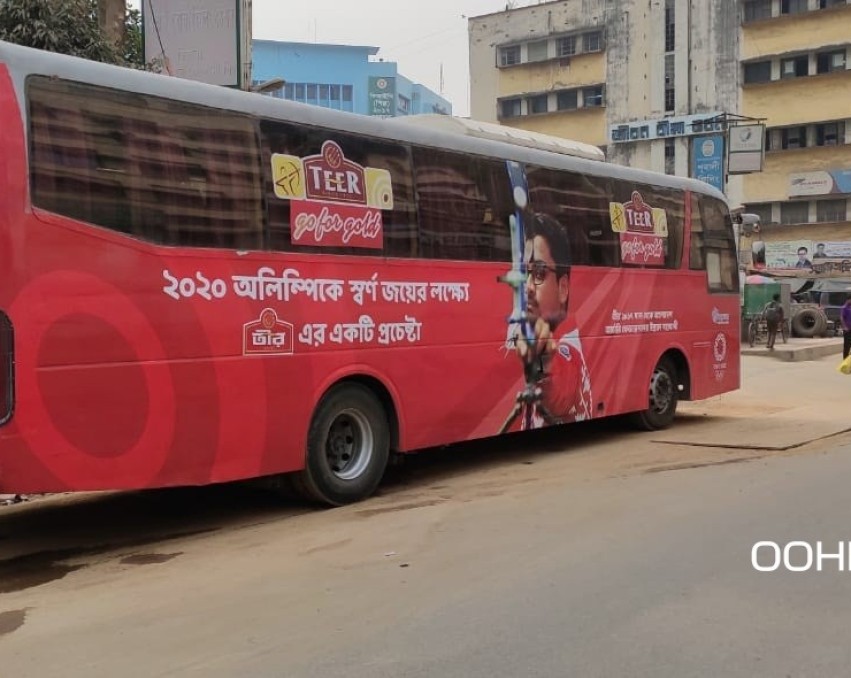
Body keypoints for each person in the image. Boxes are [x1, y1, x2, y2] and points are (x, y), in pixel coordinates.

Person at [512, 213, 592, 429]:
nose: (527, 287)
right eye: (524, 273)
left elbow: (559, 394)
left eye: (538, 273)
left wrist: (543, 357)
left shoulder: (569, 348)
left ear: (563, 288)